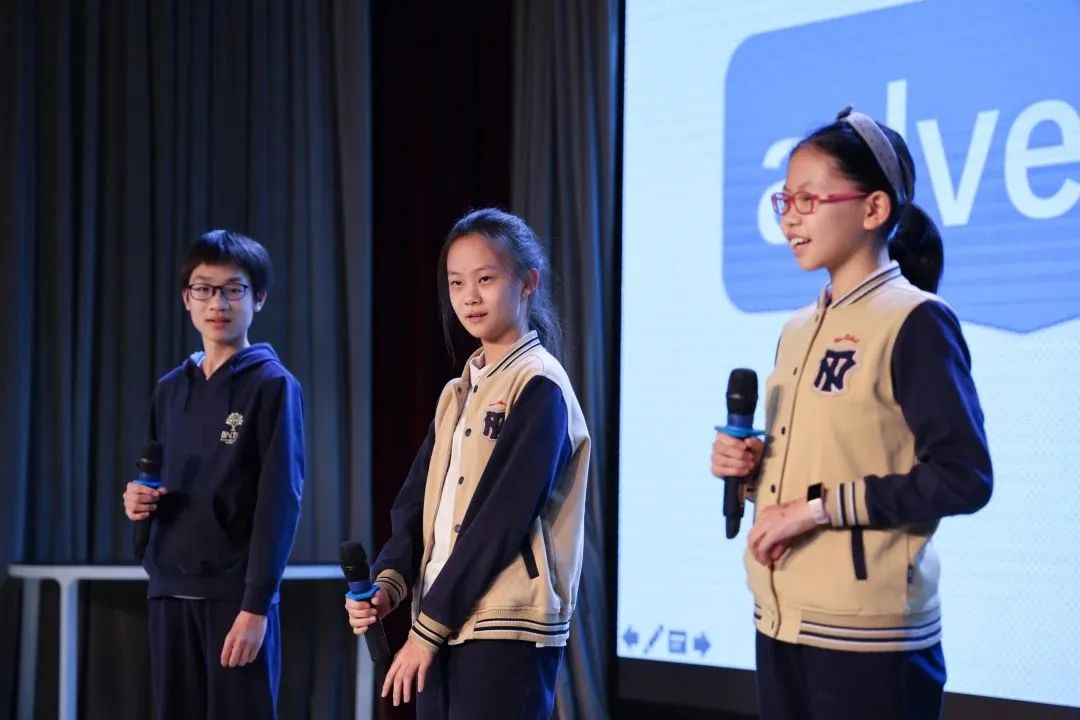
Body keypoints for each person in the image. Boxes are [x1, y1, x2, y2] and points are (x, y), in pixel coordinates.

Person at [711, 108, 993, 719]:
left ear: (873, 209)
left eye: (809, 199)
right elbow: (823, 459)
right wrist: (751, 469)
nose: (790, 217)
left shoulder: (915, 320)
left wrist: (815, 509)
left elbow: (964, 477)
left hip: (871, 638)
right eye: (785, 199)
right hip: (780, 619)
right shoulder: (797, 329)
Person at [346, 208, 590, 719]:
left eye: (486, 279)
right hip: (443, 621)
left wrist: (425, 631)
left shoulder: (539, 384)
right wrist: (388, 583)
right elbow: (416, 504)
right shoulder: (459, 390)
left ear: (528, 282)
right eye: (457, 282)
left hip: (505, 627)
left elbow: (500, 521)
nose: (469, 296)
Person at [122, 229, 304, 720]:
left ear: (258, 297)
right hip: (169, 590)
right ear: (187, 298)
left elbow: (280, 502)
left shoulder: (273, 385)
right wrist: (138, 502)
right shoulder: (170, 388)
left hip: (234, 598)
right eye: (203, 289)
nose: (217, 303)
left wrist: (256, 607)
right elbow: (154, 476)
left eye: (233, 289)